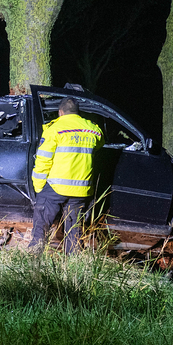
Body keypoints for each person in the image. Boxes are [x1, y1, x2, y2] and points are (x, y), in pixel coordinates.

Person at [28, 97, 104, 254]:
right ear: (77, 112)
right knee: (74, 233)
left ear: (60, 112)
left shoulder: (54, 129)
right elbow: (100, 142)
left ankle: (33, 261)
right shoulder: (92, 130)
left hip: (56, 188)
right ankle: (73, 266)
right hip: (81, 191)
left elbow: (43, 160)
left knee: (41, 228)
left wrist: (38, 186)